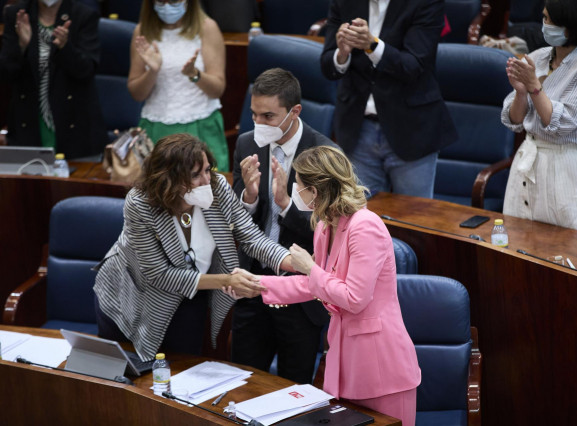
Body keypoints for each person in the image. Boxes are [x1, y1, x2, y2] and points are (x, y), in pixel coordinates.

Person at [228, 146, 420, 426]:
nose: (295, 190)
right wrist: (257, 285)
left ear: (315, 191)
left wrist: (310, 267)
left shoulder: (366, 227)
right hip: (344, 360)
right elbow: (316, 285)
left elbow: (354, 298)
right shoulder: (325, 226)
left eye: (299, 185)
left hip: (381, 366)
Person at [94, 133, 293, 361]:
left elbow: (251, 236)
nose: (206, 180)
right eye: (195, 175)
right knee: (123, 376)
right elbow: (159, 275)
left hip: (190, 294)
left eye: (207, 170)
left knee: (181, 373)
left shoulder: (217, 188)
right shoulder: (141, 203)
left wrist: (292, 261)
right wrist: (226, 280)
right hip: (131, 296)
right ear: (169, 178)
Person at [231, 68, 333, 384]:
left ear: (295, 112)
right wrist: (247, 196)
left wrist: (286, 205)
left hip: (300, 293)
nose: (259, 124)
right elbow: (236, 218)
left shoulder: (323, 154)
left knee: (294, 389)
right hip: (253, 284)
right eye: (254, 115)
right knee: (245, 383)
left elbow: (328, 232)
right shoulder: (247, 144)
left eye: (269, 116)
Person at [320, 0, 457, 198]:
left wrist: (372, 45)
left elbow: (414, 65)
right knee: (361, 218)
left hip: (410, 127)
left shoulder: (425, 3)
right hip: (358, 128)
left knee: (413, 220)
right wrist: (341, 54)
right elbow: (327, 66)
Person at [501, 0, 577, 232]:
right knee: (517, 239)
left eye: (549, 20)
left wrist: (533, 86)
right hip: (528, 156)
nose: (544, 25)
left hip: (565, 164)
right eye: (544, 17)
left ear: (569, 25)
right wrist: (521, 93)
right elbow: (515, 119)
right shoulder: (539, 56)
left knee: (564, 248)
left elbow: (560, 124)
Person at [127, 0, 229, 171]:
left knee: (205, 190)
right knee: (159, 193)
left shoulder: (207, 28)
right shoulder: (142, 31)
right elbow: (136, 93)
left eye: (173, 1)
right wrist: (152, 71)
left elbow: (217, 89)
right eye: (161, 1)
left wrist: (195, 75)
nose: (167, 7)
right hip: (156, 127)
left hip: (200, 126)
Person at [0, 0, 108, 159]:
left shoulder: (83, 15)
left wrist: (65, 48)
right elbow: (5, 74)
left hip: (74, 127)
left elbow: (87, 70)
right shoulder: (16, 15)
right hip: (29, 123)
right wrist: (21, 47)